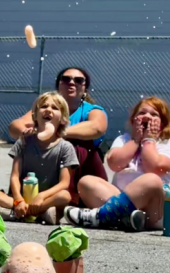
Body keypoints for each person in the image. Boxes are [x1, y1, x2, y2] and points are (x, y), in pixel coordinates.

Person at [66, 97, 170, 232]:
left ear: (163, 124)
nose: (147, 116)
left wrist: (149, 140)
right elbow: (114, 164)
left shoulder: (168, 143)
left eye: (154, 114)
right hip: (120, 196)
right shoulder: (123, 139)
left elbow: (155, 167)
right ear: (133, 120)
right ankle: (126, 218)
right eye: (142, 113)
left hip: (154, 209)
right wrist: (136, 140)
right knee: (86, 182)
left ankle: (100, 216)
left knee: (152, 180)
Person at [9, 67, 108, 205]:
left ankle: (71, 198)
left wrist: (56, 133)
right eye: (66, 79)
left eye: (78, 80)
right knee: (29, 143)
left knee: (76, 145)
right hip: (48, 168)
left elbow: (97, 127)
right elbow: (15, 126)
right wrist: (28, 133)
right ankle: (26, 197)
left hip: (82, 171)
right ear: (58, 85)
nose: (72, 83)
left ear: (85, 89)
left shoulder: (92, 110)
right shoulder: (44, 109)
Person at [0, 92, 77, 224]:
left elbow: (64, 183)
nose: (48, 110)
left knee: (65, 196)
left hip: (45, 200)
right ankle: (36, 213)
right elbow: (14, 176)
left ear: (63, 118)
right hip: (21, 198)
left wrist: (41, 196)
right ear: (35, 115)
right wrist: (18, 199)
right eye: (44, 106)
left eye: (55, 108)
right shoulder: (24, 141)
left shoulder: (66, 147)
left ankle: (15, 213)